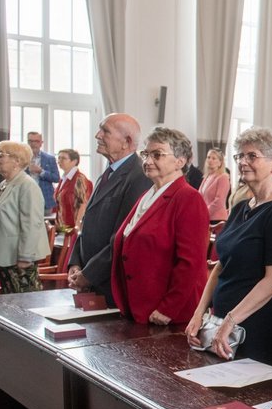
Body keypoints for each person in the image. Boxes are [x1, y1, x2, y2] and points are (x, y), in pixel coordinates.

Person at [185, 127, 272, 368]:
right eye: (240, 156)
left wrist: (230, 321)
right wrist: (199, 313)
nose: (243, 162)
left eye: (252, 156)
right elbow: (220, 266)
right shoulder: (240, 208)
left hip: (257, 323)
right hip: (225, 319)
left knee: (251, 401)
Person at [111, 127, 209, 325]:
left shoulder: (189, 198)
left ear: (180, 161)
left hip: (167, 315)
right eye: (145, 154)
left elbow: (191, 263)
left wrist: (168, 308)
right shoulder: (147, 196)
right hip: (139, 307)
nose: (147, 161)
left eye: (157, 154)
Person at [67, 113, 149, 306]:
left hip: (109, 284)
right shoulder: (110, 170)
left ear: (126, 142)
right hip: (91, 277)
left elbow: (122, 236)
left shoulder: (138, 176)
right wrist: (76, 262)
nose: (97, 135)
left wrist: (89, 274)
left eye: (105, 131)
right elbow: (89, 221)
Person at [0, 141, 51, 293]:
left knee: (26, 304)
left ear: (17, 160)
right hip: (6, 255)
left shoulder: (27, 185)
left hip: (20, 259)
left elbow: (32, 223)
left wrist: (25, 257)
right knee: (12, 302)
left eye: (0, 155)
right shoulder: (5, 184)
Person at [54, 149, 93, 230]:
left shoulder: (79, 179)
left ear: (74, 161)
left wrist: (77, 226)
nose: (59, 161)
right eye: (59, 158)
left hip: (73, 228)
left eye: (64, 158)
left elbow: (83, 204)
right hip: (63, 227)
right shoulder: (63, 179)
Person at [26, 131, 60, 215]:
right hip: (25, 199)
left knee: (45, 226)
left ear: (41, 143)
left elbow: (56, 178)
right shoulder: (21, 158)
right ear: (27, 142)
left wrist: (41, 171)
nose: (33, 144)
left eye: (36, 141)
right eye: (30, 141)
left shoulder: (50, 159)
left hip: (45, 201)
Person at [198, 147, 231, 222]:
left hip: (217, 219)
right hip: (205, 217)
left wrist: (204, 212)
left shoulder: (223, 177)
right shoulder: (206, 177)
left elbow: (219, 201)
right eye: (208, 157)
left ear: (220, 162)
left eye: (214, 158)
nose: (210, 160)